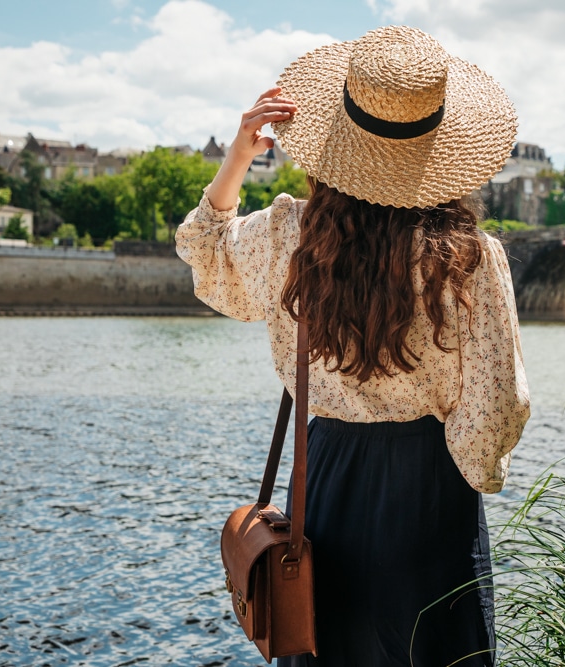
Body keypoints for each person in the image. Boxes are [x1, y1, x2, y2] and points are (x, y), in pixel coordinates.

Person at [176, 26, 530, 667]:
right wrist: (475, 471)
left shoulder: (290, 238)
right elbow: (497, 408)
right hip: (432, 488)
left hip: (326, 479)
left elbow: (204, 251)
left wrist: (238, 157)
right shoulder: (471, 260)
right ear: (441, 148)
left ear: (336, 141)